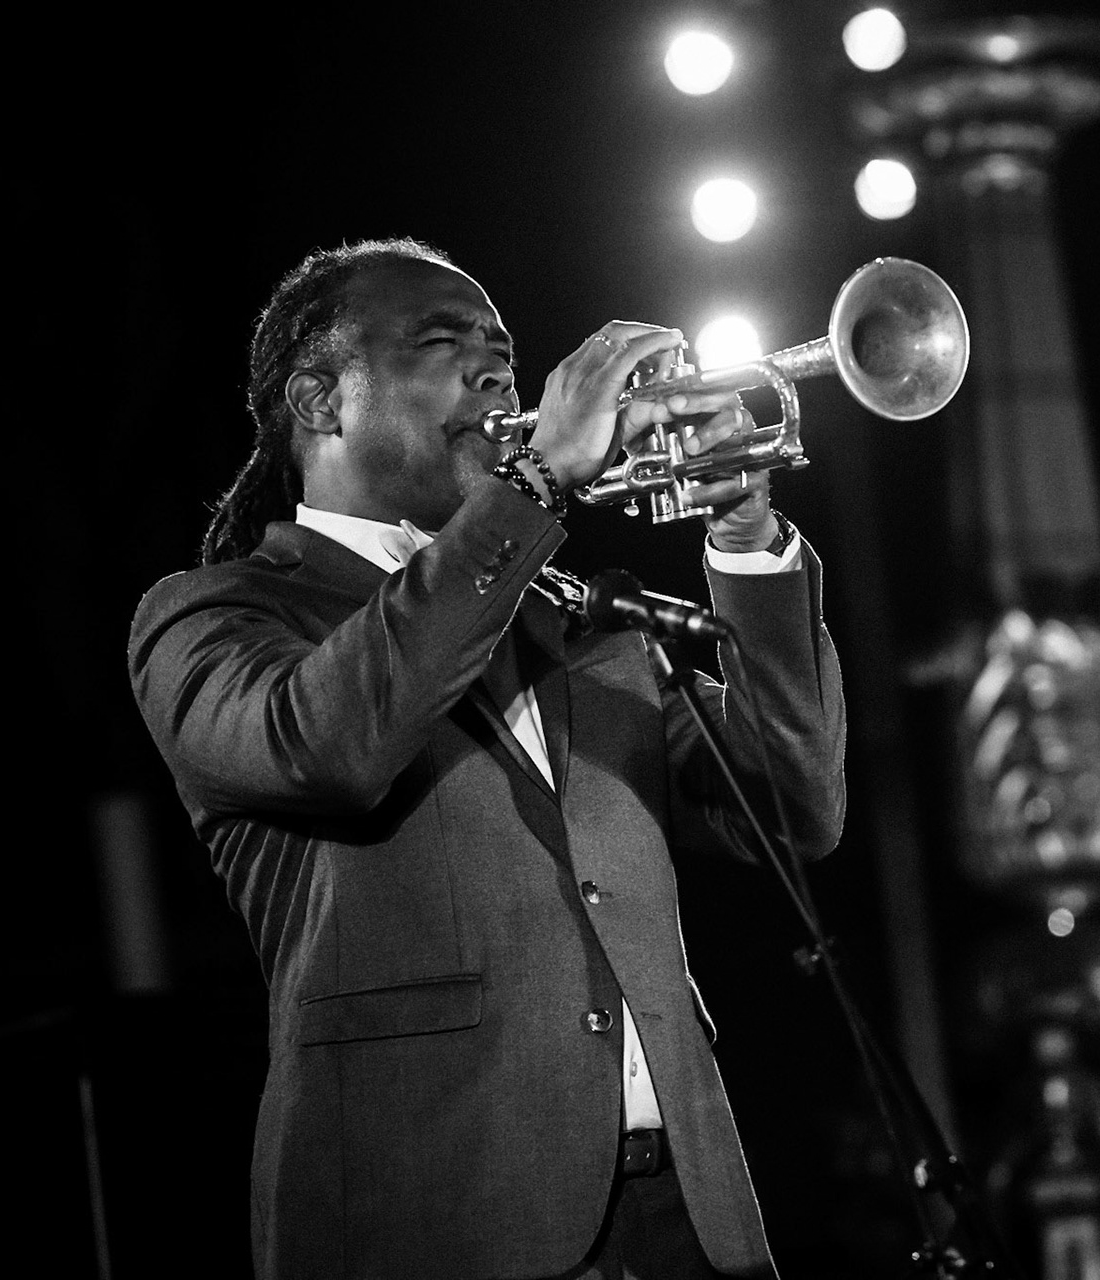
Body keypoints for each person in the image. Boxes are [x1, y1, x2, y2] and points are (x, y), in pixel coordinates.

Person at [127, 237, 847, 1279]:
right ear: (320, 401)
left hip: (687, 1223)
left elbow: (790, 809)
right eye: (442, 344)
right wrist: (535, 485)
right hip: (438, 1220)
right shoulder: (215, 616)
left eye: (503, 354)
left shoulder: (577, 620)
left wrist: (745, 531)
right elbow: (332, 746)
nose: (495, 374)